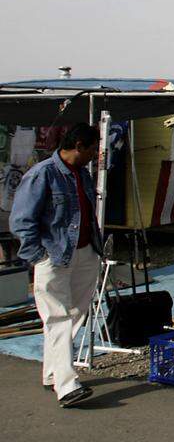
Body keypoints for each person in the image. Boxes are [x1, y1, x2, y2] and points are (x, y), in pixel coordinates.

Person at [10, 122, 103, 407]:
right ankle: (67, 385)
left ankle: (52, 372)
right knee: (58, 316)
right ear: (79, 146)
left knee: (76, 313)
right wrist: (38, 255)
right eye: (92, 149)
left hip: (84, 251)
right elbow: (22, 220)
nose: (95, 155)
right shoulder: (43, 174)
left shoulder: (82, 174)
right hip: (54, 254)